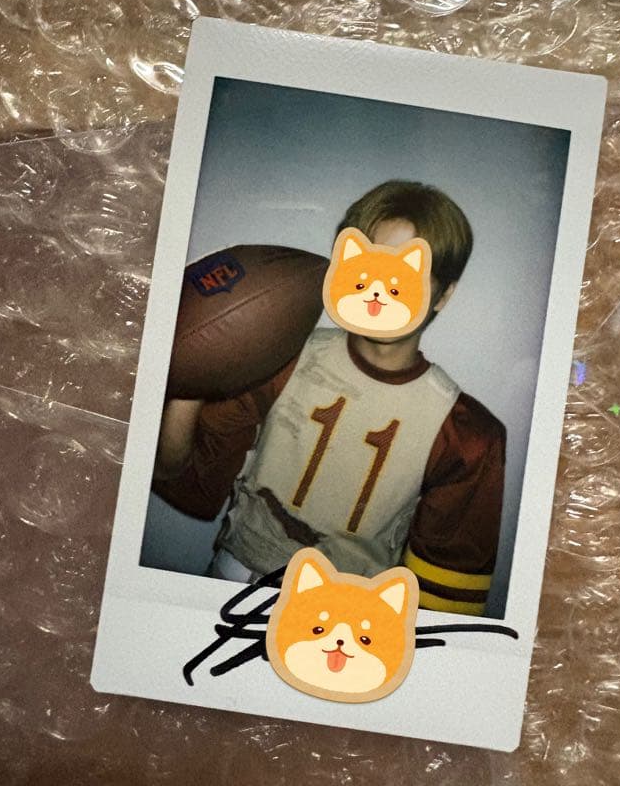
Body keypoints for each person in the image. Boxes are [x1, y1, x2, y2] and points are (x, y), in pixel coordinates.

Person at [152, 180, 505, 615]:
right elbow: (185, 477)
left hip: (347, 621)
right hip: (232, 583)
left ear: (443, 295)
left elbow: (444, 602)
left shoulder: (467, 435)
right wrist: (192, 374)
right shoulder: (282, 355)